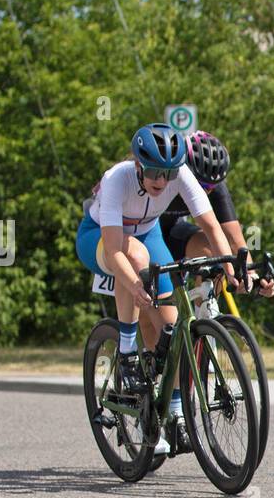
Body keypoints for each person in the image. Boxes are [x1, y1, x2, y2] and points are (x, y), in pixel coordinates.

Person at [76, 124, 235, 455]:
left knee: (172, 325)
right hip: (102, 237)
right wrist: (134, 284)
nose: (161, 181)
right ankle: (126, 349)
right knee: (135, 258)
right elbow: (116, 249)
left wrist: (229, 267)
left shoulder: (180, 175)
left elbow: (211, 226)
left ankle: (174, 411)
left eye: (168, 173)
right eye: (152, 172)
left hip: (149, 235)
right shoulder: (116, 178)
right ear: (137, 164)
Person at [158, 130, 274, 299]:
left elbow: (234, 238)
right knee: (154, 318)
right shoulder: (164, 179)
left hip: (174, 232)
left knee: (216, 256)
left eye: (211, 186)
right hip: (146, 235)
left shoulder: (216, 186)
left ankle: (204, 315)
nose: (206, 191)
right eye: (201, 185)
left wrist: (251, 275)